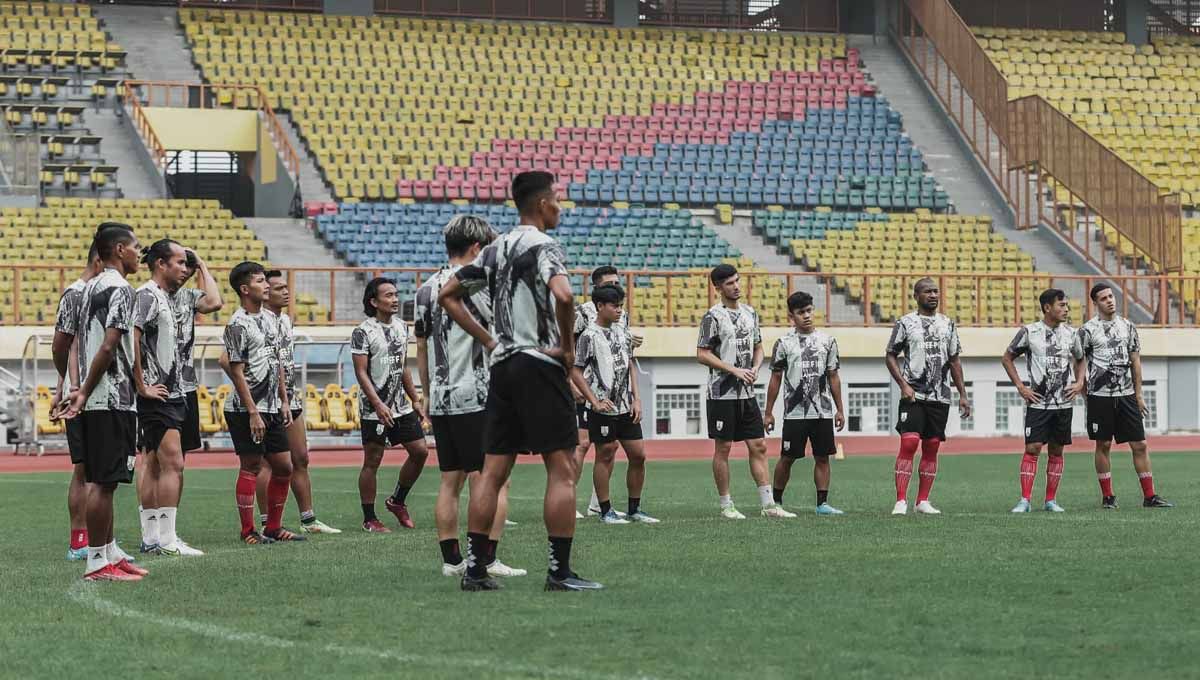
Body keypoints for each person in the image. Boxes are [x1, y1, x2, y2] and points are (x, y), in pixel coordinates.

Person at [439, 170, 602, 591]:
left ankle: (475, 571)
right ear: (544, 204)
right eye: (558, 200)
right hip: (538, 362)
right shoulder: (544, 244)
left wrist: (491, 340)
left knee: (492, 470)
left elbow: (448, 296)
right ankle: (559, 571)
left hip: (503, 365)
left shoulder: (496, 247)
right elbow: (564, 296)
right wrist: (567, 348)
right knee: (562, 468)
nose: (561, 207)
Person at [415, 215, 524, 579]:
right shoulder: (478, 286)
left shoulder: (426, 288)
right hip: (477, 394)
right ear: (477, 248)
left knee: (450, 479)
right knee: (492, 480)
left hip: (442, 395)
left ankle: (451, 560)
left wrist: (427, 394)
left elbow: (421, 346)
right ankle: (486, 559)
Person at [62, 224, 150, 581]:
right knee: (104, 482)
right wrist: (84, 389)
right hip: (110, 395)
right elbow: (109, 344)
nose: (139, 253)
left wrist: (77, 386)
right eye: (135, 246)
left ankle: (109, 552)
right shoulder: (120, 289)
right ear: (118, 249)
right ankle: (97, 562)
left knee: (105, 479)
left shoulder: (86, 289)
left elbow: (65, 342)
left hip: (97, 394)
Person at [696, 264, 789, 519]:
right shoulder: (712, 317)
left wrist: (756, 366)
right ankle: (726, 504)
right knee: (723, 447)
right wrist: (734, 370)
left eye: (737, 281)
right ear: (718, 288)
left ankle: (768, 504)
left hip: (747, 394)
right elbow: (702, 354)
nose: (736, 286)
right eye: (729, 283)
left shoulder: (750, 313)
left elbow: (758, 346)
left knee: (758, 445)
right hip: (721, 394)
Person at [221, 261, 305, 544]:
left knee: (284, 467)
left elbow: (277, 362)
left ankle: (274, 527)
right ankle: (248, 531)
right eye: (260, 281)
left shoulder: (270, 320)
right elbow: (236, 370)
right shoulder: (237, 324)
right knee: (252, 466)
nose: (266, 285)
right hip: (246, 410)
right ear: (245, 289)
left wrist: (283, 400)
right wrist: (253, 412)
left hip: (272, 407)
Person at [251, 270, 340, 534]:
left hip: (290, 396)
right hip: (267, 400)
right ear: (266, 294)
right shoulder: (258, 321)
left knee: (300, 458)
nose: (285, 292)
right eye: (278, 288)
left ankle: (309, 520)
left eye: (285, 287)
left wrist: (287, 396)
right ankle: (268, 522)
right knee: (268, 463)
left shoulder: (286, 320)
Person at [132, 239, 202, 557]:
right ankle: (167, 539)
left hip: (170, 392)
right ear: (161, 264)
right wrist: (141, 384)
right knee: (173, 463)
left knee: (156, 464)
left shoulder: (163, 298)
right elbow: (129, 336)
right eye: (179, 262)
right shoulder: (147, 296)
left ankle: (154, 538)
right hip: (157, 394)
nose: (184, 269)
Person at [1076, 283, 1172, 509]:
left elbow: (1135, 362)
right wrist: (1083, 390)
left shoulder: (1128, 327)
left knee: (1140, 444)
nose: (1110, 300)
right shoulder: (1087, 330)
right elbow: (1079, 362)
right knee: (1103, 444)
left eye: (1111, 296)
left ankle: (1150, 496)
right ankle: (1108, 497)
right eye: (1104, 298)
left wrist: (1138, 395)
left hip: (1127, 394)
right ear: (1095, 303)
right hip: (1100, 396)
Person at [571, 283, 657, 524]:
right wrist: (593, 401)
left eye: (621, 306)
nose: (619, 310)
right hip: (604, 407)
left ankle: (634, 509)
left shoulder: (623, 333)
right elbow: (576, 371)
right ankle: (605, 510)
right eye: (614, 306)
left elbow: (630, 365)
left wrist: (637, 399)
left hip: (625, 406)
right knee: (605, 454)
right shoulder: (589, 336)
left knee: (638, 455)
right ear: (600, 306)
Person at [885, 277, 971, 515]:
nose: (933, 295)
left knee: (932, 445)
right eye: (927, 291)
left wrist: (962, 394)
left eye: (935, 291)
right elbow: (890, 355)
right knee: (910, 442)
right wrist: (903, 385)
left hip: (939, 396)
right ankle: (901, 500)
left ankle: (922, 500)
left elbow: (954, 360)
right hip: (913, 394)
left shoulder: (948, 324)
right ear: (916, 296)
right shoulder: (905, 323)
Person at [352, 277, 429, 532]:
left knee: (420, 451)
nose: (395, 299)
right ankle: (369, 518)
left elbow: (403, 366)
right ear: (374, 301)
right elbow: (361, 373)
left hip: (400, 404)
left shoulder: (401, 326)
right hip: (375, 407)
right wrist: (377, 404)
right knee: (372, 460)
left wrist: (415, 398)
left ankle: (397, 501)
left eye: (396, 294)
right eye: (388, 295)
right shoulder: (363, 331)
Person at [1001, 288, 1085, 513]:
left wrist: (1079, 383)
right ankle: (1025, 500)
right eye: (1062, 305)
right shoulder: (1030, 332)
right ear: (1047, 307)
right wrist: (1021, 386)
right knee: (1033, 447)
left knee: (1057, 450)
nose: (1066, 309)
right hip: (1038, 402)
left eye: (1067, 305)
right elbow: (1007, 357)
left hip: (1063, 403)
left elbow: (1081, 358)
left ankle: (1050, 500)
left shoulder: (1071, 333)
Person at [764, 292, 846, 516]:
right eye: (801, 313)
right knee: (787, 457)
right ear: (791, 316)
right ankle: (776, 503)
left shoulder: (827, 342)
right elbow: (775, 379)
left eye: (809, 310)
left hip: (822, 412)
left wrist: (840, 409)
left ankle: (822, 504)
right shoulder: (783, 343)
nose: (807, 316)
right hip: (794, 413)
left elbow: (833, 377)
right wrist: (768, 412)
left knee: (823, 456)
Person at [52, 242, 103, 561]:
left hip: (99, 393)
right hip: (81, 393)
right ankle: (80, 541)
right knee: (84, 469)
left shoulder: (100, 293)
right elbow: (64, 345)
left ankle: (98, 540)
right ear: (99, 260)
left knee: (100, 472)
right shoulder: (75, 294)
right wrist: (68, 387)